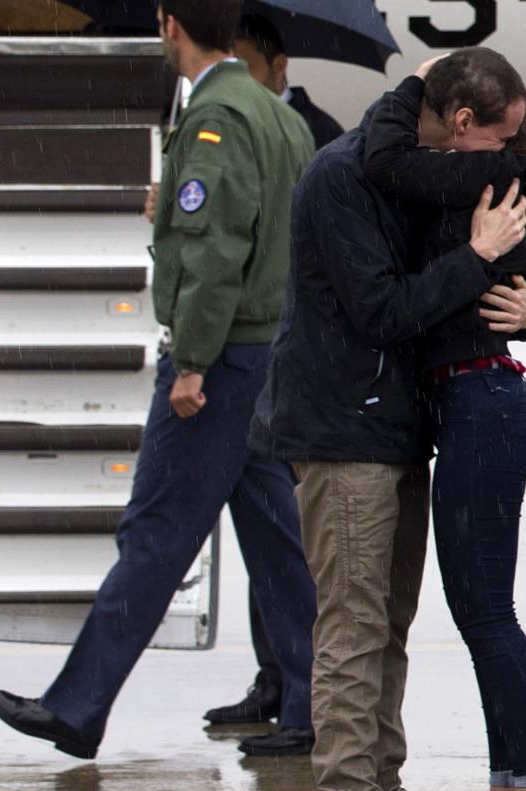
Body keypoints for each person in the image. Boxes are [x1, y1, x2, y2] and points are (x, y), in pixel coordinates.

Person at [0, 0, 319, 761]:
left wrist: (192, 361)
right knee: (279, 545)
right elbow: (270, 229)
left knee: (157, 534)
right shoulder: (278, 116)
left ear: (170, 24)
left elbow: (216, 251)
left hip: (220, 359)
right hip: (268, 354)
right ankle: (315, 707)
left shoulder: (216, 118)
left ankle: (77, 707)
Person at [247, 55, 526, 791]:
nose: (502, 158)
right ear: (459, 122)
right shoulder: (343, 177)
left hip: (396, 427)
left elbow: (440, 301)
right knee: (352, 628)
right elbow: (381, 311)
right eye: (498, 139)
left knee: (388, 626)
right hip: (343, 431)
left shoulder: (406, 174)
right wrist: (476, 254)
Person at [360, 48, 526, 791]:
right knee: (478, 614)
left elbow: (383, 160)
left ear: (457, 121)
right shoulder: (480, 184)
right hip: (475, 405)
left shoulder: (484, 174)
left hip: (484, 408)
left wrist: (411, 85)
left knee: (489, 616)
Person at [201, 12, 343, 734]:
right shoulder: (244, 125)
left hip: (289, 350)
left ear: (278, 65)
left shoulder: (315, 133)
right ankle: (277, 676)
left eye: (248, 67)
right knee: (268, 530)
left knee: (289, 533)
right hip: (267, 348)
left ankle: (301, 688)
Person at [232, 13, 343, 149]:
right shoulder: (226, 123)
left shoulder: (320, 132)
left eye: (243, 67)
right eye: (226, 68)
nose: (232, 79)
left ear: (279, 66)